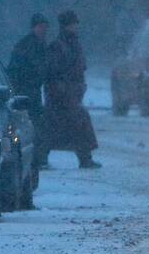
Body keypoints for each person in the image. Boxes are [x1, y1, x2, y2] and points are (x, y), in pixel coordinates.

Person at [46, 10, 101, 169]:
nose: (76, 27)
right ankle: (83, 158)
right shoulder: (58, 46)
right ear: (66, 26)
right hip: (61, 95)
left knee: (74, 125)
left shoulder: (74, 43)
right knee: (65, 126)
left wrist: (78, 87)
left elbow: (79, 68)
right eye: (73, 24)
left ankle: (85, 157)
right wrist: (63, 90)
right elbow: (54, 72)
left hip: (72, 93)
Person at [9, 13, 51, 170]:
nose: (43, 30)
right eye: (40, 27)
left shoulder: (40, 45)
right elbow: (17, 70)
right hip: (25, 91)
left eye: (45, 27)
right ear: (34, 27)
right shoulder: (26, 46)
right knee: (32, 124)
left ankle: (37, 158)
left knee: (36, 124)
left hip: (33, 90)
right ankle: (35, 159)